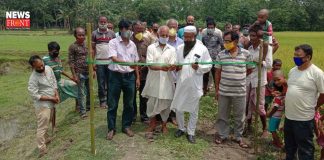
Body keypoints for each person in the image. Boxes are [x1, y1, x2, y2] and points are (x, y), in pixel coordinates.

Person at [171, 26, 212, 144]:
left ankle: (191, 132)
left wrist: (198, 67)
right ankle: (181, 128)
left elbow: (209, 65)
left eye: (190, 37)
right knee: (179, 107)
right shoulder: (179, 48)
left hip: (194, 83)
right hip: (181, 83)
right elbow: (177, 63)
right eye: (185, 37)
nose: (187, 39)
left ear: (194, 36)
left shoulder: (202, 49)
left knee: (193, 109)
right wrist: (176, 67)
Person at [214, 31, 254, 148]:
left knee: (239, 116)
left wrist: (239, 77)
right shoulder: (221, 54)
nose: (225, 43)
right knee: (222, 114)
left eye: (228, 41)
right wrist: (217, 89)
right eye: (224, 41)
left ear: (236, 42)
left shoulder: (246, 54)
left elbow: (250, 69)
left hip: (240, 91)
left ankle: (238, 136)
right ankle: (222, 135)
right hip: (224, 90)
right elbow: (217, 72)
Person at [284, 44, 324, 160]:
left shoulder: (317, 73)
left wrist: (315, 106)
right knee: (289, 147)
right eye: (294, 55)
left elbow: (323, 94)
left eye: (298, 55)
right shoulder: (292, 71)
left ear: (308, 57)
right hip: (289, 117)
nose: (295, 57)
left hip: (304, 119)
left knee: (305, 149)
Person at [106, 19, 140, 140]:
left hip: (129, 77)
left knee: (129, 103)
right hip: (115, 76)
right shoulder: (113, 42)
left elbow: (135, 63)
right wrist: (127, 62)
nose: (130, 31)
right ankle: (111, 128)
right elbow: (114, 58)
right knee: (112, 103)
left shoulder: (133, 45)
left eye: (131, 29)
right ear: (122, 29)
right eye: (129, 29)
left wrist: (137, 78)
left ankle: (126, 126)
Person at [141, 26, 177, 140]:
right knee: (151, 103)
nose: (165, 37)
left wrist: (171, 67)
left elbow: (173, 64)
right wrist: (162, 68)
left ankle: (164, 125)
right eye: (163, 35)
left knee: (166, 103)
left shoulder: (172, 49)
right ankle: (152, 124)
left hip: (167, 81)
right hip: (154, 80)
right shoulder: (151, 48)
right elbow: (150, 64)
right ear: (158, 35)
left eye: (167, 35)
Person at [28, 55, 59, 158]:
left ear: (42, 61)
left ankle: (46, 139)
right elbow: (34, 95)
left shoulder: (48, 68)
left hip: (52, 101)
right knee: (42, 127)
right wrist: (51, 98)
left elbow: (53, 81)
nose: (41, 68)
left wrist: (56, 94)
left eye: (42, 65)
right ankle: (42, 149)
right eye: (38, 67)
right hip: (43, 105)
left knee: (48, 121)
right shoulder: (33, 78)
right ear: (33, 67)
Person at [246, 24, 272, 138]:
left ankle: (265, 128)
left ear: (259, 36)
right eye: (250, 35)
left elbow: (269, 64)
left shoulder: (266, 47)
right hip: (248, 79)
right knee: (247, 103)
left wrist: (260, 63)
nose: (251, 38)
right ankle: (248, 126)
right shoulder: (248, 47)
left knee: (259, 105)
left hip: (259, 80)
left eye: (254, 36)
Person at [43, 41, 78, 120]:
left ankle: (78, 107)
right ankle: (53, 125)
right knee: (52, 104)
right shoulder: (44, 60)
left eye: (57, 51)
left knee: (76, 86)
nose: (56, 53)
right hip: (50, 84)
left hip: (59, 80)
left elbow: (60, 70)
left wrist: (71, 77)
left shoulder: (58, 58)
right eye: (54, 51)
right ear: (49, 51)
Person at [68, 27, 94, 119]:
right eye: (80, 35)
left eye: (83, 35)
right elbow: (71, 62)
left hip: (88, 71)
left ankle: (89, 106)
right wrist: (74, 75)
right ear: (75, 36)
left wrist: (93, 70)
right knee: (82, 93)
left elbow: (91, 57)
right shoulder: (72, 47)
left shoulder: (88, 45)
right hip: (79, 72)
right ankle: (83, 111)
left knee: (90, 90)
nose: (82, 37)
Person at [91, 16, 116, 109]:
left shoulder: (112, 33)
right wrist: (93, 62)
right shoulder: (94, 33)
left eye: (104, 22)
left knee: (111, 82)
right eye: (101, 22)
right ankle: (102, 101)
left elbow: (115, 47)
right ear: (98, 22)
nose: (103, 23)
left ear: (107, 22)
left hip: (110, 62)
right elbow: (92, 49)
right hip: (99, 62)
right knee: (101, 83)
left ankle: (110, 100)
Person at [130, 21, 151, 123]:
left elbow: (150, 56)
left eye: (141, 30)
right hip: (131, 71)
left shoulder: (147, 40)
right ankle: (132, 116)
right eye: (137, 30)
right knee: (131, 95)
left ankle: (144, 116)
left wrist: (145, 65)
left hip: (144, 71)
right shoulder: (129, 41)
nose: (139, 31)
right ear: (132, 29)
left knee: (144, 95)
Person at [166, 18, 183, 125]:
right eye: (170, 27)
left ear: (177, 28)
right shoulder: (162, 41)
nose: (172, 29)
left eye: (174, 27)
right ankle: (163, 115)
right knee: (166, 95)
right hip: (165, 74)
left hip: (177, 75)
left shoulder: (181, 42)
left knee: (176, 96)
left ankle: (173, 116)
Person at [202, 19, 223, 95]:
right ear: (207, 27)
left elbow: (222, 45)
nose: (210, 29)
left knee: (216, 76)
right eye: (209, 27)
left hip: (215, 58)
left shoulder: (218, 35)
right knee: (205, 75)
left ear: (214, 28)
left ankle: (217, 91)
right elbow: (203, 45)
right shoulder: (204, 35)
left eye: (212, 27)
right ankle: (204, 91)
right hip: (206, 58)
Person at [266, 70, 287, 148]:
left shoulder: (278, 98)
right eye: (275, 80)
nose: (272, 91)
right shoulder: (282, 96)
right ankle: (277, 142)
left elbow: (275, 107)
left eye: (273, 89)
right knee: (274, 130)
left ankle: (278, 144)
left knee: (272, 130)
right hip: (279, 117)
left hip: (274, 117)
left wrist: (269, 114)